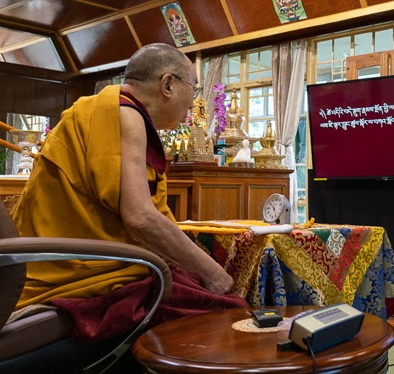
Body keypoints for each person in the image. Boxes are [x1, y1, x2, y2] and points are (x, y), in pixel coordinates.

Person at [11, 43, 246, 341]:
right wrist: (213, 274)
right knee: (229, 311)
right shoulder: (126, 115)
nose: (194, 102)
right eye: (194, 89)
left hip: (55, 263)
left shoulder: (100, 110)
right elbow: (140, 217)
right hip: (86, 272)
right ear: (168, 84)